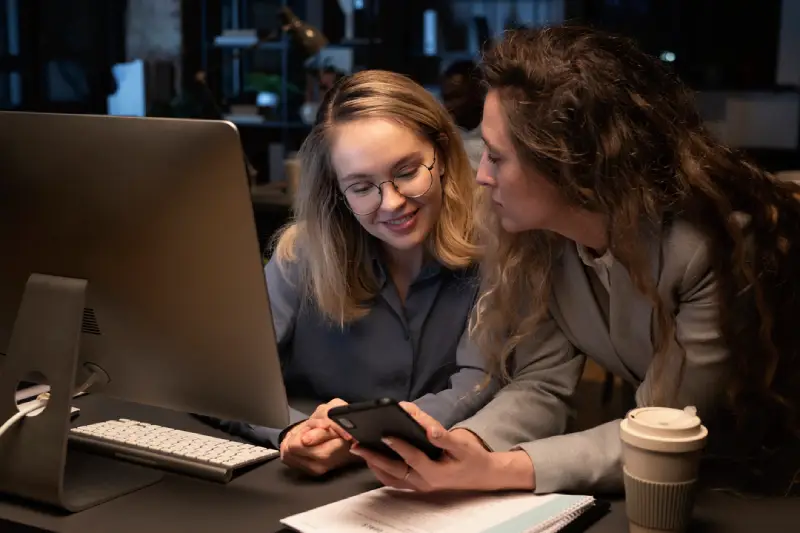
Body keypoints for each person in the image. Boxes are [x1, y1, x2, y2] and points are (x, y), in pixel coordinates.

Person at [347, 26, 800, 495]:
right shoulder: (538, 238)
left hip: (769, 481)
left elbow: (668, 430)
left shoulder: (711, 246)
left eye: (498, 158)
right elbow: (542, 382)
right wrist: (464, 446)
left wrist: (499, 472)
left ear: (569, 163)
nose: (481, 176)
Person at [208, 70, 490, 477]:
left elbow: (478, 382)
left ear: (442, 156)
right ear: (337, 193)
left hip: (440, 478)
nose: (391, 203)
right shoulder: (299, 255)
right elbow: (228, 375)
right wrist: (296, 429)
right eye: (361, 187)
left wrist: (364, 435)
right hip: (306, 487)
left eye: (408, 171)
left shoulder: (493, 252)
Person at [440, 60, 485, 171]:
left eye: (457, 96)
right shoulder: (443, 135)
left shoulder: (499, 129)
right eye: (446, 98)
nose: (449, 105)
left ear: (478, 93)